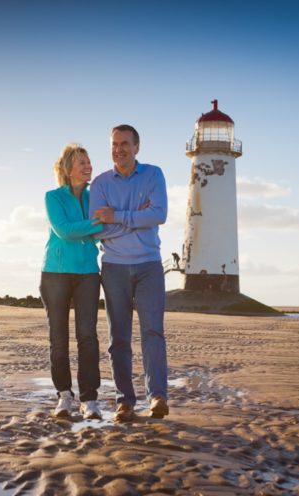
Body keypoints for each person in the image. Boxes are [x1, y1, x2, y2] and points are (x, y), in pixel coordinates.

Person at [90, 124, 169, 422]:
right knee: (118, 337)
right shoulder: (99, 184)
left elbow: (159, 215)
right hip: (113, 267)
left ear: (137, 147)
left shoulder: (153, 174)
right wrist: (139, 215)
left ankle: (158, 396)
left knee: (153, 333)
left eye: (124, 143)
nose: (118, 149)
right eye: (114, 144)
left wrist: (118, 216)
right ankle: (125, 401)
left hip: (149, 264)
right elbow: (99, 228)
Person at [40, 143, 104, 420]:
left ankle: (89, 400)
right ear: (68, 169)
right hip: (55, 273)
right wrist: (94, 225)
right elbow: (64, 231)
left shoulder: (96, 196)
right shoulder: (53, 197)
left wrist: (96, 226)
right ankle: (64, 396)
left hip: (88, 272)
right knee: (58, 339)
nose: (88, 166)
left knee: (88, 338)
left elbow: (105, 229)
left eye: (89, 161)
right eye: (82, 162)